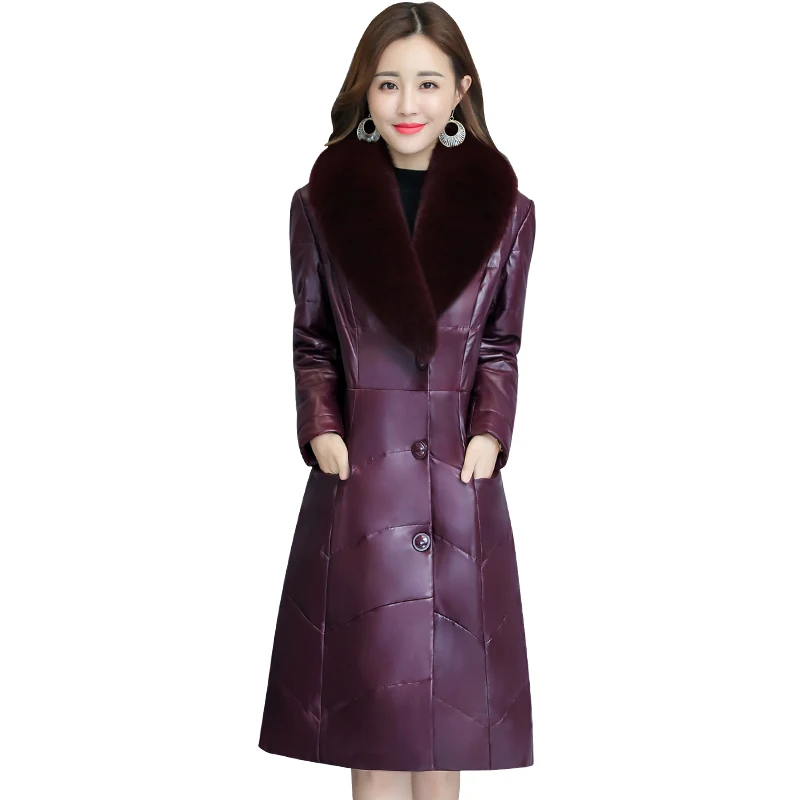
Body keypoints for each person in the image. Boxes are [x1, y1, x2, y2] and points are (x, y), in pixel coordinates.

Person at [258, 4, 537, 799]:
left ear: (461, 92)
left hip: (459, 483)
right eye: (387, 84)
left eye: (427, 83)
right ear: (364, 92)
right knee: (371, 715)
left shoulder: (508, 213)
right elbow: (313, 339)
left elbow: (500, 344)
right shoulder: (321, 206)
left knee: (449, 721)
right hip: (362, 485)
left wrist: (489, 431)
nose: (407, 104)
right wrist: (324, 430)